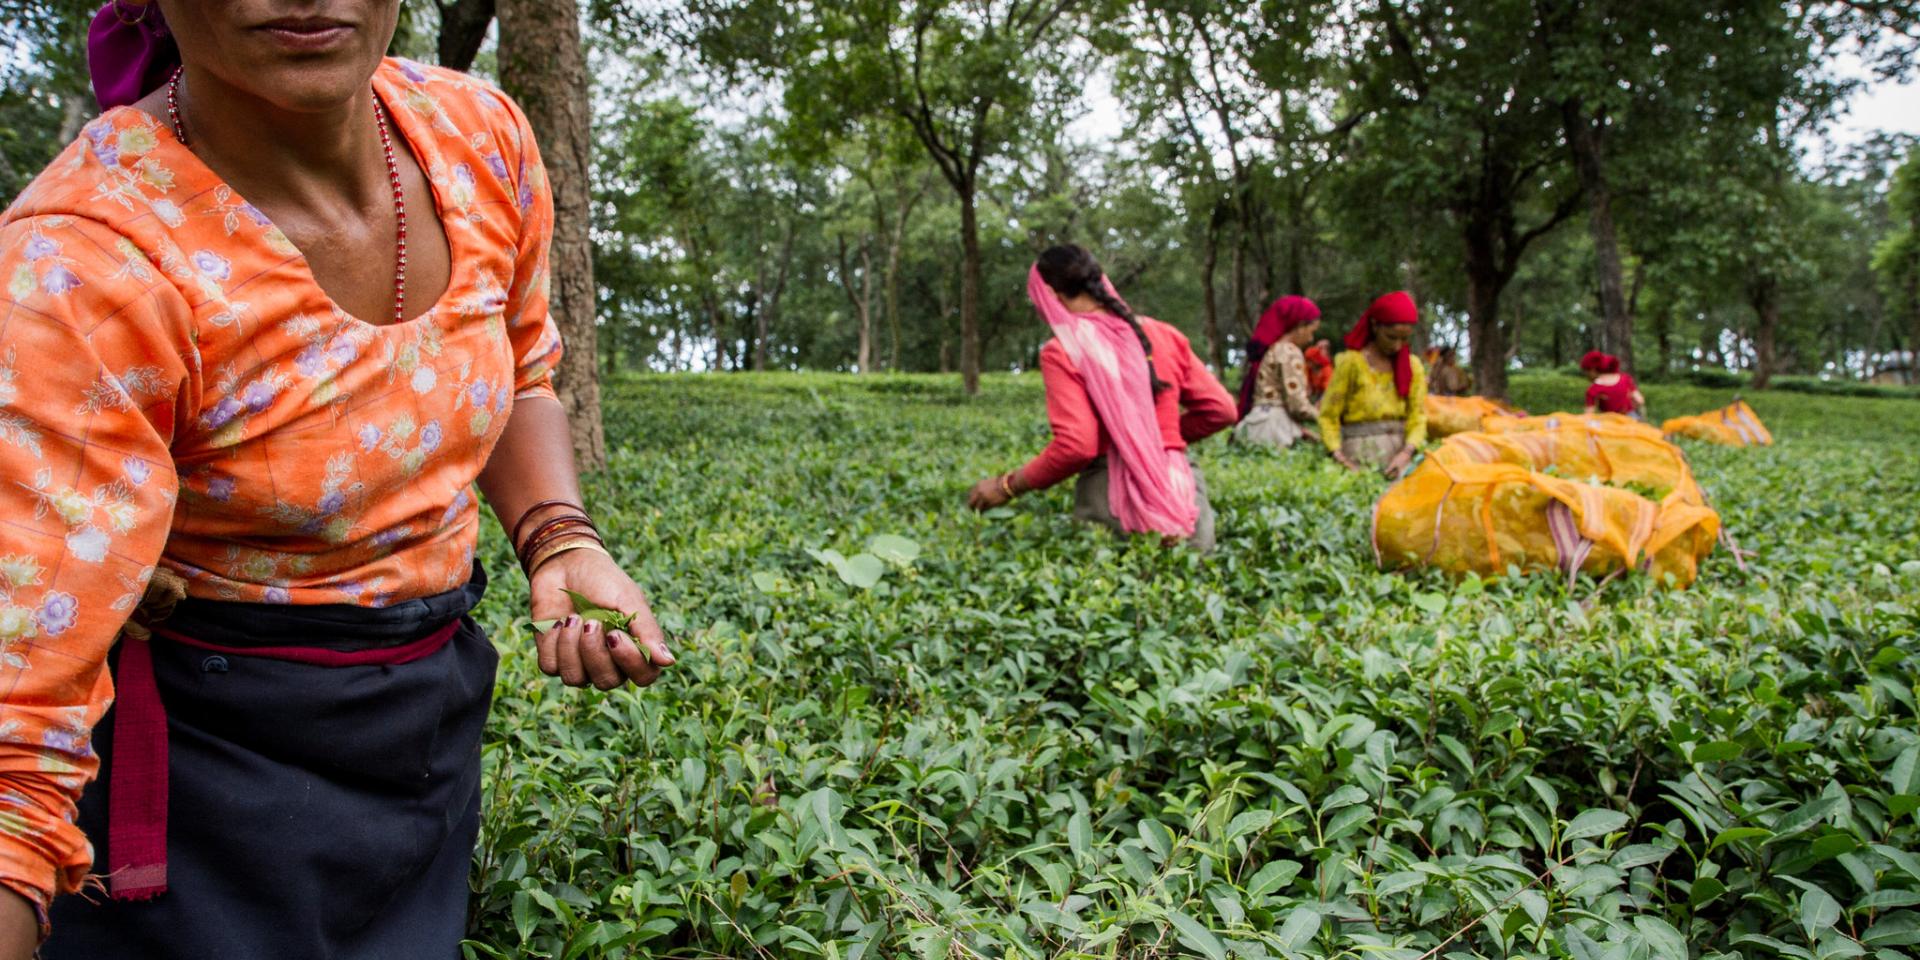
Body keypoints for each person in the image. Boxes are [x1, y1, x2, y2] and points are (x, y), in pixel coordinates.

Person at [0, 3, 676, 957]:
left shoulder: (479, 139)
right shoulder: (75, 265)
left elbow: (521, 370)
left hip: (422, 731)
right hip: (206, 772)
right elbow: (12, 748)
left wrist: (560, 538)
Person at [966, 245, 1236, 551]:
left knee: (1115, 589)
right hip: (1183, 489)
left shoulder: (1064, 349)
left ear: (1052, 296)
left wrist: (1006, 486)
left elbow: (1077, 445)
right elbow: (1223, 410)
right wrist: (1158, 436)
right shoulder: (1164, 334)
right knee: (1191, 588)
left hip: (1112, 494)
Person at [1319, 291, 1428, 478]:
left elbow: (1417, 416)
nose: (1397, 346)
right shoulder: (1351, 363)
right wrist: (1340, 458)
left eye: (1404, 339)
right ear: (1375, 326)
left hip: (1400, 458)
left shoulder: (1412, 367)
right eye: (1391, 337)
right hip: (1357, 455)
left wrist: (1406, 454)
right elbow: (1328, 415)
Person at [1233, 295, 1323, 450]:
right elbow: (1297, 405)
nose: (1311, 339)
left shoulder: (1273, 350)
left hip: (1258, 422)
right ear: (1300, 326)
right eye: (1311, 331)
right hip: (1274, 427)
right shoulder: (1289, 351)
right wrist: (1326, 419)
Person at [1581, 350, 1647, 419]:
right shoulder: (1625, 379)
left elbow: (1588, 414)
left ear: (1592, 370)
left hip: (1611, 421)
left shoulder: (1594, 388)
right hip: (1631, 418)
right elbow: (1640, 400)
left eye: (1586, 371)